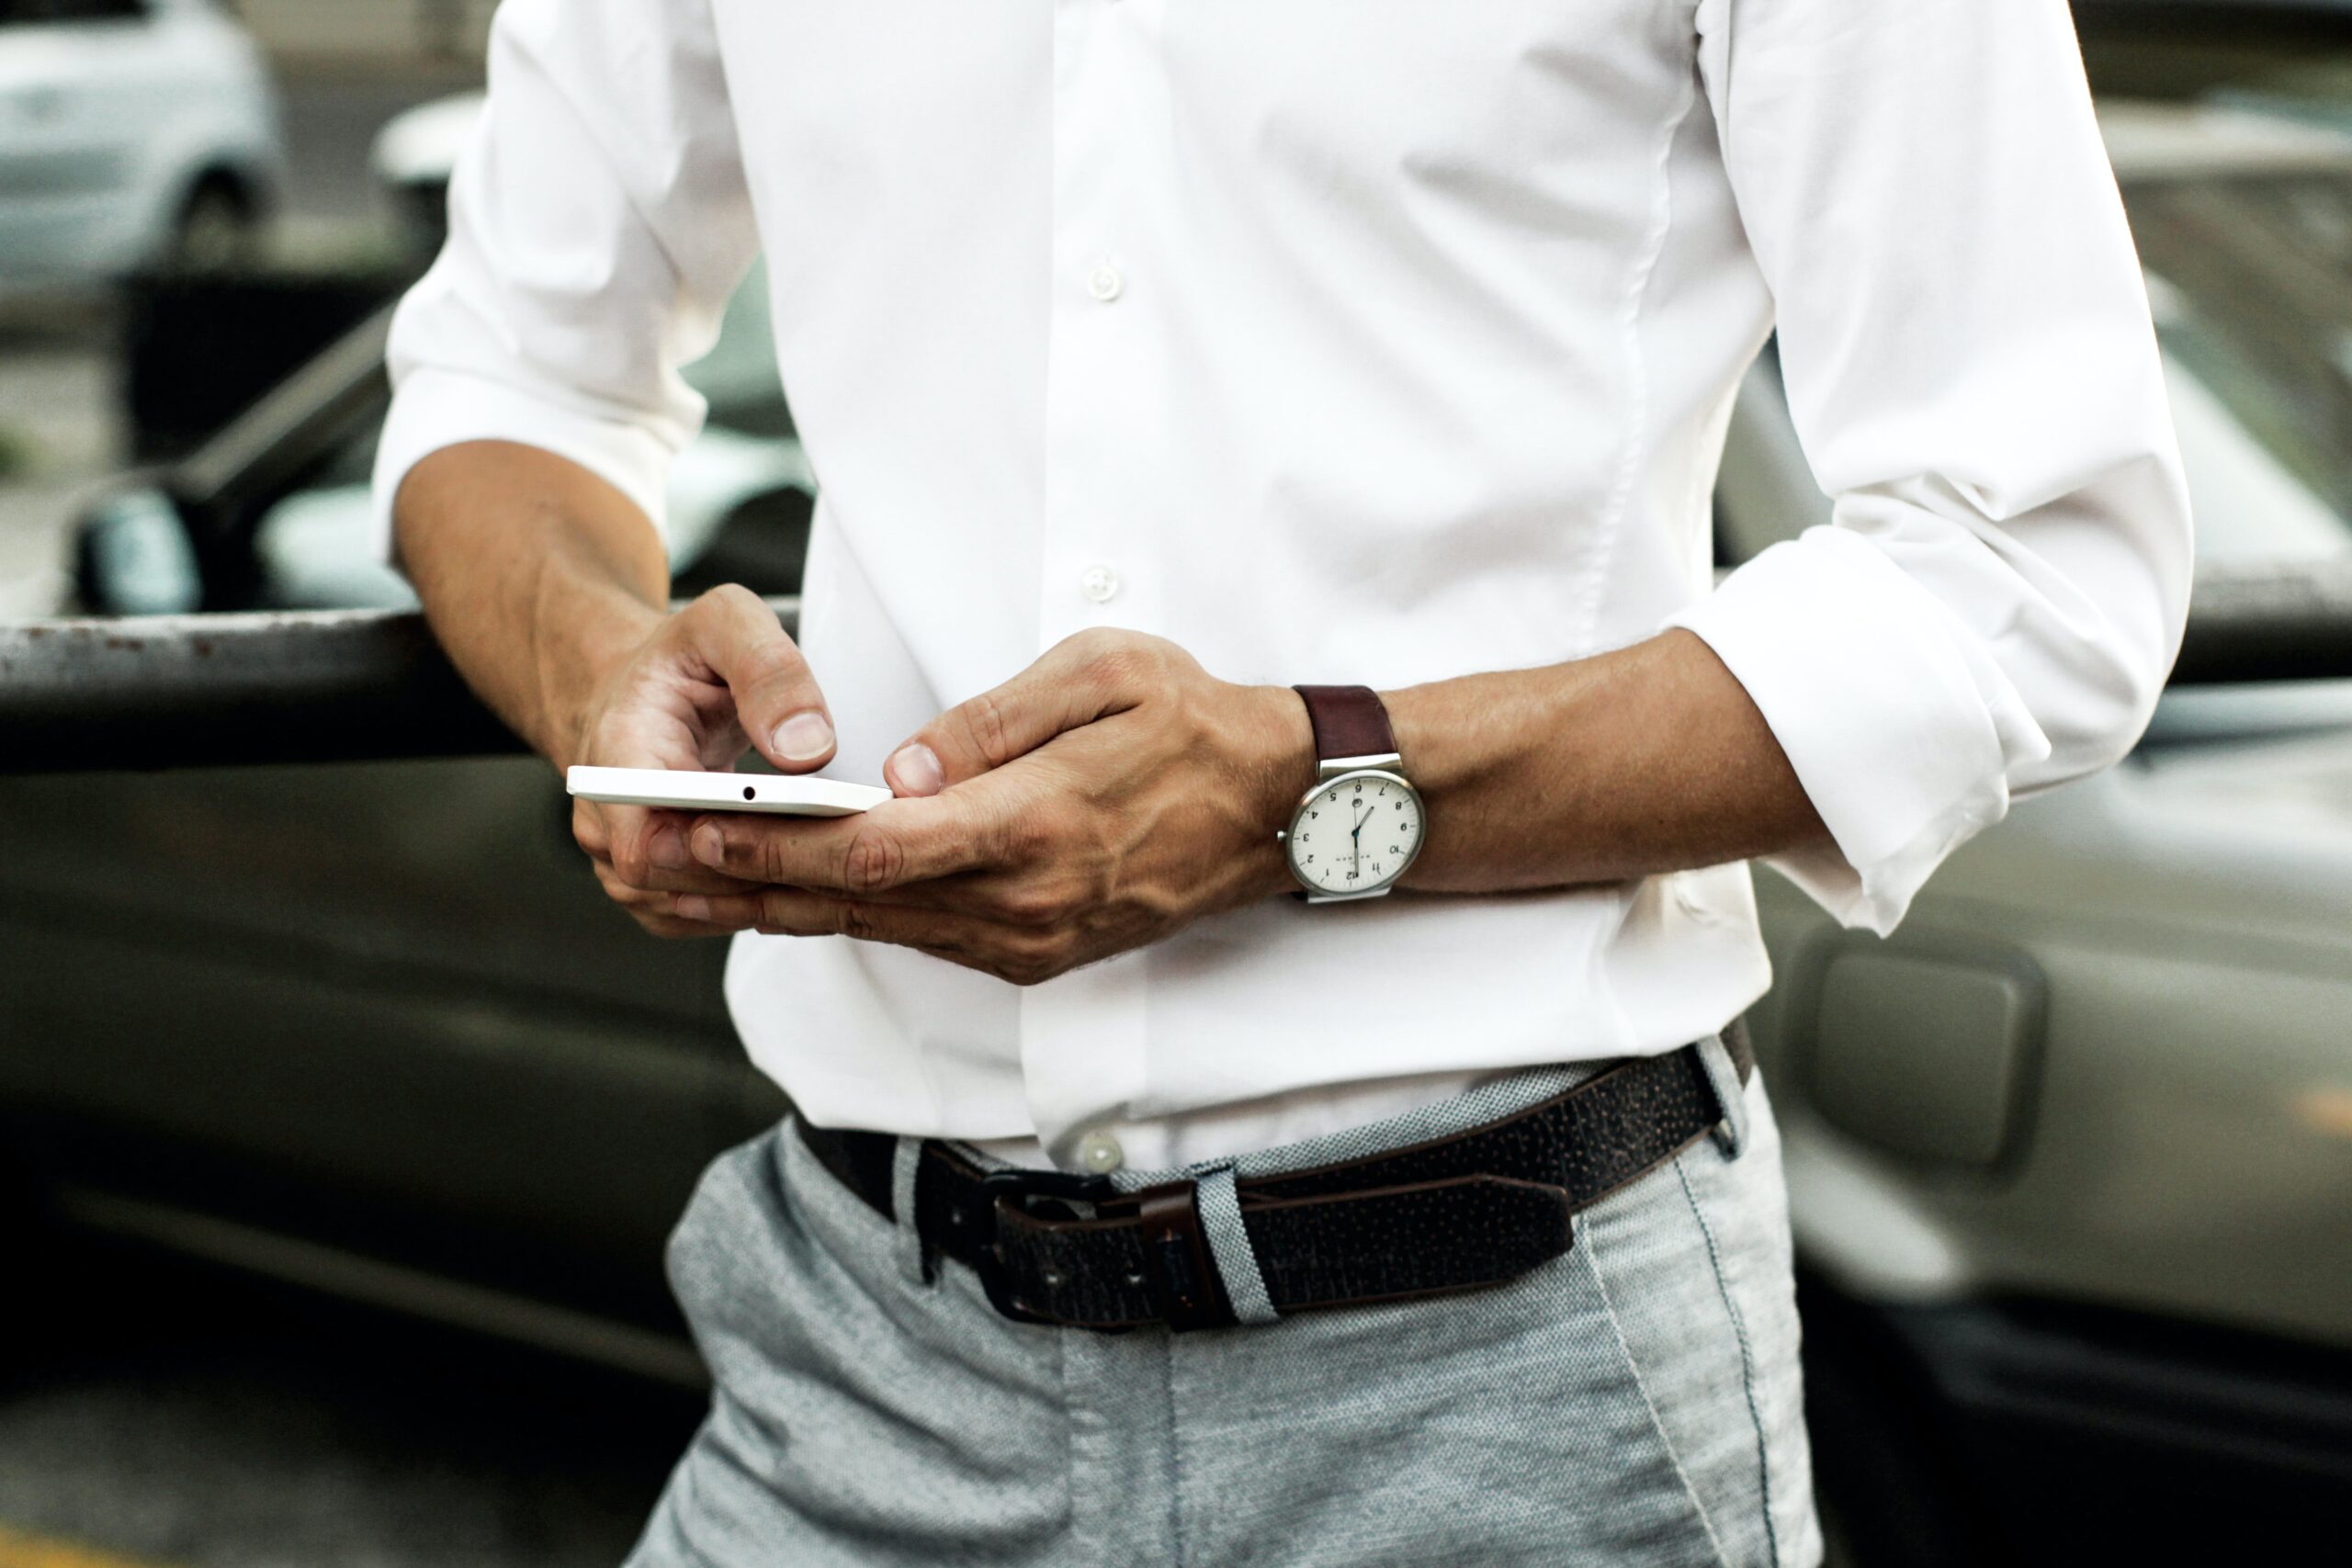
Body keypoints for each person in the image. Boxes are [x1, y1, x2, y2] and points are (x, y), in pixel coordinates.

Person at [375, 3, 2190, 1563]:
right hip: (858, 1349)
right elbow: (508, 372)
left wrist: (1306, 793)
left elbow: (2030, 560)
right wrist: (591, 663)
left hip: (1509, 1378)